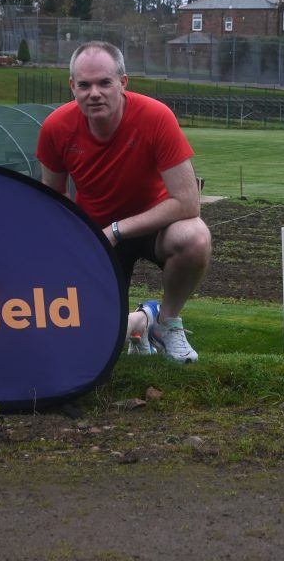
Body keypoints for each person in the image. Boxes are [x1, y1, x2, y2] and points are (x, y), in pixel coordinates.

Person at [36, 41, 211, 363]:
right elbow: (52, 198)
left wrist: (116, 230)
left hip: (154, 226)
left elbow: (188, 203)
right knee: (91, 349)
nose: (95, 93)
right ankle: (143, 321)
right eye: (85, 85)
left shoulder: (156, 117)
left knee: (195, 237)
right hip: (96, 234)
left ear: (123, 82)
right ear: (72, 86)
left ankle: (169, 321)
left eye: (105, 82)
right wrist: (68, 246)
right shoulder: (55, 128)